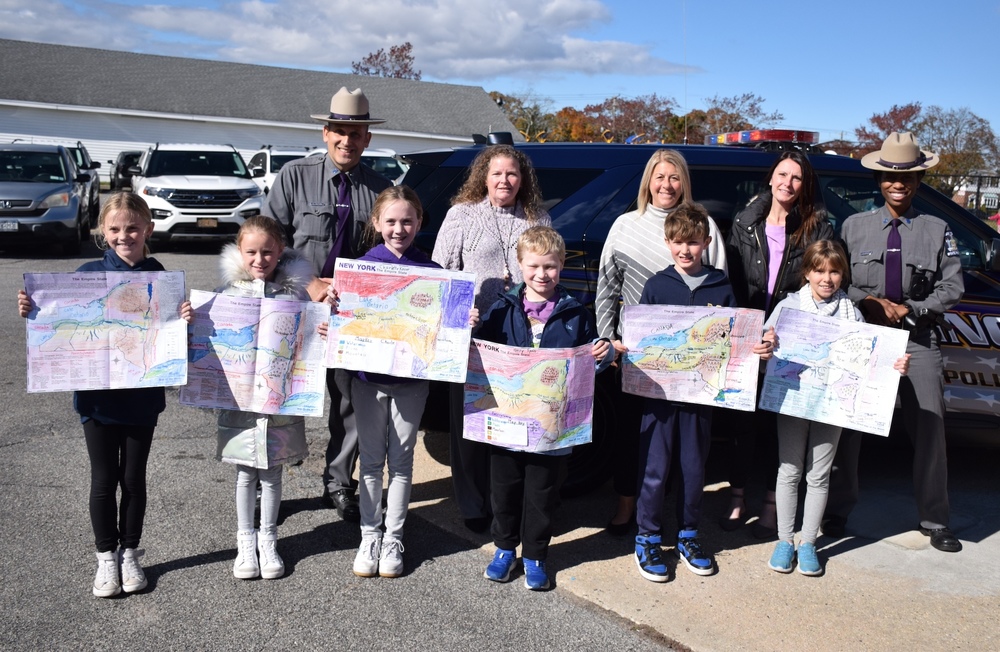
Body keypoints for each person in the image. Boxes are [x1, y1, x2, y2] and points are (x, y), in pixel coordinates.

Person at [17, 192, 193, 598]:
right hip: (96, 400)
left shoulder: (160, 274)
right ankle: (105, 559)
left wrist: (184, 320)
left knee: (133, 479)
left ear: (148, 229)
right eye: (115, 229)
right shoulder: (85, 273)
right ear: (102, 231)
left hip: (141, 398)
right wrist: (33, 308)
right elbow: (58, 320)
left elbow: (168, 336)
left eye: (133, 228)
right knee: (103, 479)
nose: (124, 235)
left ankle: (130, 552)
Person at [824, 132, 965, 553]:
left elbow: (953, 286)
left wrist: (913, 309)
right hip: (864, 340)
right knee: (848, 427)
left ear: (919, 180)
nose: (897, 184)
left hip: (917, 340)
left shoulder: (937, 229)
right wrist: (866, 300)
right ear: (879, 180)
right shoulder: (853, 227)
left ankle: (935, 518)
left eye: (907, 177)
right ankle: (838, 508)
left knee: (931, 428)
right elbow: (836, 280)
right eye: (889, 177)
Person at [264, 87, 392, 522]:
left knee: (349, 403)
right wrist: (309, 281)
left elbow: (390, 253)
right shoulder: (293, 177)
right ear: (325, 132)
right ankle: (271, 484)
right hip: (294, 306)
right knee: (281, 397)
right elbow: (265, 245)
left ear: (367, 138)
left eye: (356, 133)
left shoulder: (381, 189)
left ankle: (338, 482)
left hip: (350, 314)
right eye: (339, 131)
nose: (347, 140)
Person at [342, 186, 480, 579]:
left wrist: (462, 321)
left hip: (412, 383)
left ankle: (393, 537)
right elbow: (344, 320)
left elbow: (448, 331)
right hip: (368, 380)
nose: (399, 229)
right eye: (391, 221)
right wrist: (333, 314)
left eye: (407, 221)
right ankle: (370, 535)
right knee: (370, 461)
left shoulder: (434, 272)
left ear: (420, 222)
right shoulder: (361, 268)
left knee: (401, 463)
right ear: (376, 223)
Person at [595, 149, 727, 536]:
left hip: (688, 362)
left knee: (678, 445)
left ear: (684, 182)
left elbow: (718, 293)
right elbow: (607, 288)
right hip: (633, 358)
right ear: (647, 181)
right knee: (632, 436)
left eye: (675, 177)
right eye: (660, 176)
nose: (667, 184)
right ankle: (626, 507)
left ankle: (672, 518)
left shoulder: (704, 226)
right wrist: (609, 342)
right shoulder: (625, 225)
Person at [762, 240, 910, 576]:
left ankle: (809, 543)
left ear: (843, 274)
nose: (826, 278)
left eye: (834, 271)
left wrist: (895, 365)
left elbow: (869, 358)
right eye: (819, 271)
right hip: (794, 400)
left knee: (819, 474)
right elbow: (764, 340)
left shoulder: (851, 313)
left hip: (832, 405)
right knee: (789, 470)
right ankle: (785, 541)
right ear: (807, 273)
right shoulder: (788, 307)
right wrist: (766, 346)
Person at [476, 226, 613, 590]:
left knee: (542, 494)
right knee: (503, 489)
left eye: (550, 267)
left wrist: (604, 353)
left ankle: (535, 554)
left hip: (552, 430)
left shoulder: (575, 314)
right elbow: (479, 357)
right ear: (520, 265)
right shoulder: (501, 309)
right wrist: (468, 331)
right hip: (507, 425)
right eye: (534, 266)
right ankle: (504, 548)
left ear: (561, 266)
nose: (542, 274)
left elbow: (590, 360)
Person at [432, 144, 552, 533]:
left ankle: (507, 506)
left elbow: (548, 269)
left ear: (523, 179)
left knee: (510, 422)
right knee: (469, 424)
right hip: (470, 337)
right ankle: (472, 504)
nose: (505, 180)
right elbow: (440, 276)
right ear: (484, 176)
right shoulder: (461, 216)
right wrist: (454, 320)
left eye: (513, 174)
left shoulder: (537, 217)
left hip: (520, 338)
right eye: (497, 173)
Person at [629, 203, 745, 582]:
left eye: (693, 243)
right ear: (667, 243)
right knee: (654, 469)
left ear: (707, 243)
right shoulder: (657, 285)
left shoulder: (721, 286)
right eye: (678, 243)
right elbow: (642, 338)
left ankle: (689, 534)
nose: (685, 250)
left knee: (694, 469)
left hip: (700, 399)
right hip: (658, 398)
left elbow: (734, 341)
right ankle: (647, 537)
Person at [722, 151, 835, 539]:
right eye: (782, 173)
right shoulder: (744, 221)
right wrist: (739, 328)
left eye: (797, 177)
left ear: (806, 185)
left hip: (791, 340)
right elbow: (732, 278)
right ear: (770, 178)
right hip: (750, 337)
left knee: (778, 424)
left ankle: (772, 502)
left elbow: (821, 281)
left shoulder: (817, 227)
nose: (788, 182)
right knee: (743, 423)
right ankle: (737, 498)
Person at [212, 215, 314, 580]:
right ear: (240, 252)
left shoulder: (295, 295)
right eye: (251, 252)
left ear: (280, 251)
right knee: (244, 473)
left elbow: (311, 342)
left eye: (267, 252)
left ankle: (269, 539)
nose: (259, 259)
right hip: (240, 400)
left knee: (272, 472)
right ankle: (245, 540)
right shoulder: (226, 296)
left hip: (279, 399)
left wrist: (324, 321)